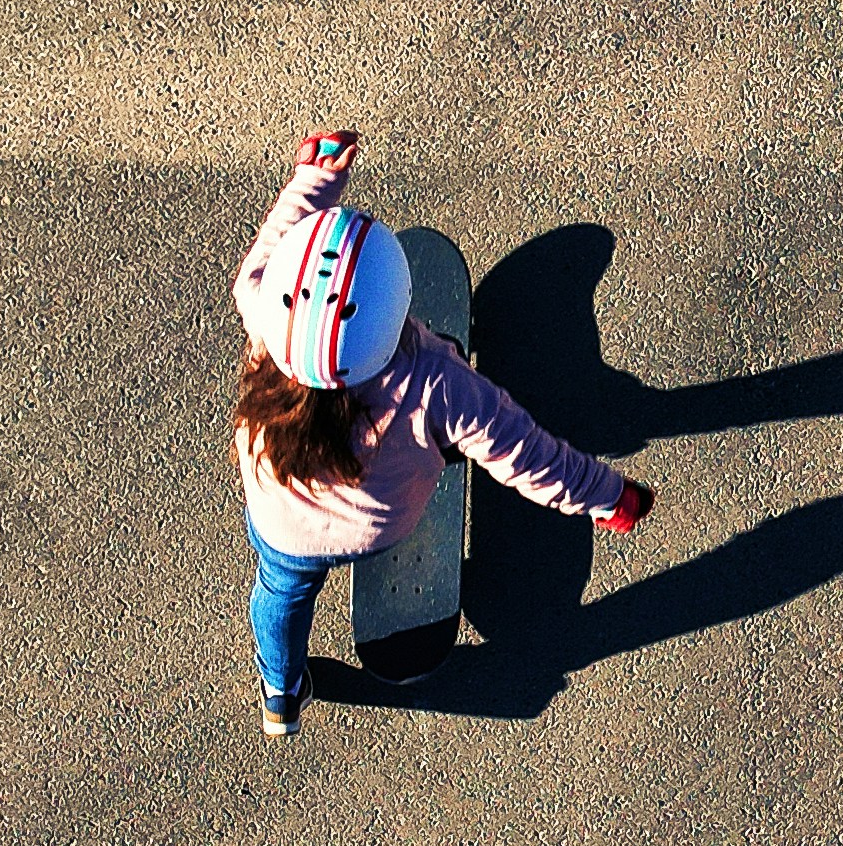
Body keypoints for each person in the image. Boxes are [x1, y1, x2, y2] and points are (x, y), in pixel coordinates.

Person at [230, 131, 652, 733]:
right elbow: (527, 456)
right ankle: (440, 449)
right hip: (380, 522)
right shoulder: (437, 383)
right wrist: (608, 499)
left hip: (279, 512)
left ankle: (280, 690)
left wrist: (312, 182)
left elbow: (277, 248)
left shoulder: (261, 311)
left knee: (281, 594)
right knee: (453, 430)